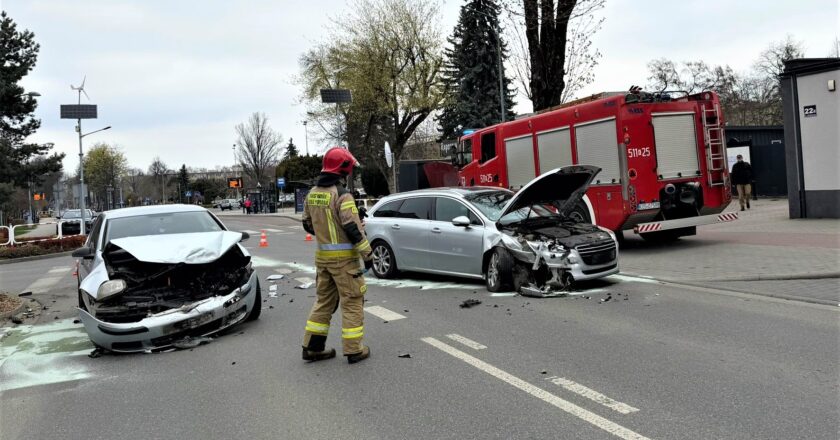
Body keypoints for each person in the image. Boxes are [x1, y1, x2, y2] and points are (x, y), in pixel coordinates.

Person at [301, 147, 373, 364]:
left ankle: (312, 348)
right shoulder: (342, 195)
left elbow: (307, 224)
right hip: (345, 263)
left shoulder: (312, 194)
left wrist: (327, 231)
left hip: (323, 260)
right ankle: (354, 349)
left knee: (324, 302)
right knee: (352, 302)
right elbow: (352, 229)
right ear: (343, 169)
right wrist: (368, 255)